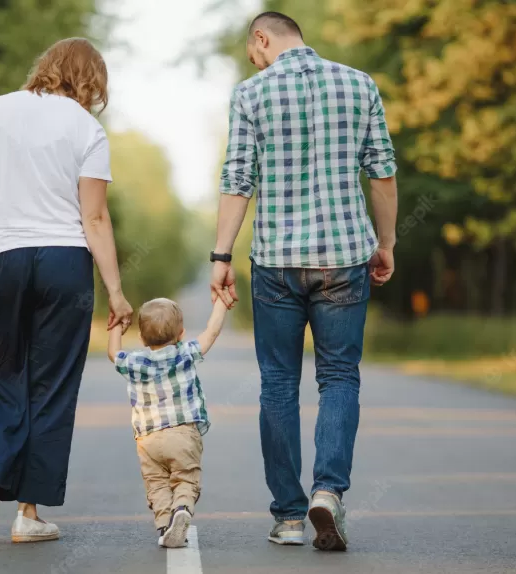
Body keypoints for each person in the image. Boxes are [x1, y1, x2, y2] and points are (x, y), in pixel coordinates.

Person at [211, 12, 399, 550]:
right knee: (339, 376)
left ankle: (290, 516)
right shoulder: (360, 84)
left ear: (263, 39)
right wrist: (384, 244)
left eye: (254, 51)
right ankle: (328, 493)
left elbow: (237, 177)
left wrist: (221, 254)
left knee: (277, 384)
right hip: (344, 258)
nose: (255, 60)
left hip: (277, 261)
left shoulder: (251, 94)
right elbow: (381, 171)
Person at [0, 37, 133, 542]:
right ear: (91, 82)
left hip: (4, 258)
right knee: (51, 387)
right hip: (65, 264)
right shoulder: (88, 128)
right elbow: (94, 217)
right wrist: (116, 291)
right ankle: (28, 515)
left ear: (46, 68)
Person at [108, 297, 229, 548]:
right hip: (184, 433)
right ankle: (182, 508)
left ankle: (165, 525)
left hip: (148, 439)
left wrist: (117, 326)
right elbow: (212, 331)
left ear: (142, 339)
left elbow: (113, 354)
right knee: (185, 477)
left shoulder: (135, 363)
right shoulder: (185, 353)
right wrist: (220, 303)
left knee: (156, 483)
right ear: (181, 334)